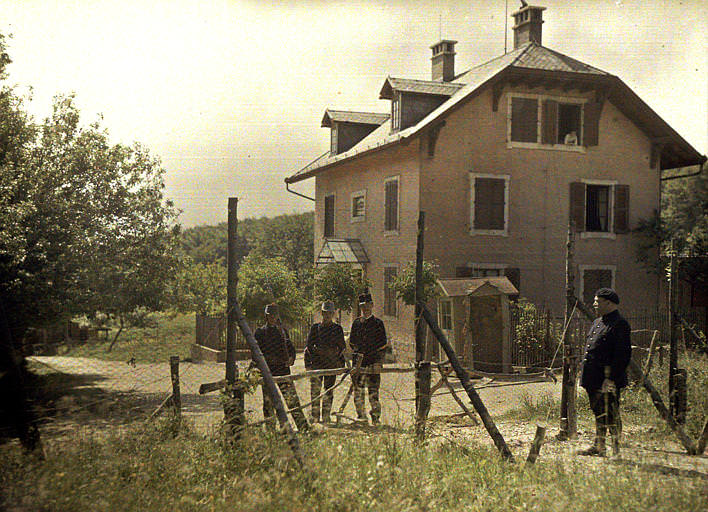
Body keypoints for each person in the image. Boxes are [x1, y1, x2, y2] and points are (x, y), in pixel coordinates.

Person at [579, 288, 632, 456]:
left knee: (612, 413)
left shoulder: (620, 324)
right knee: (598, 411)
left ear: (609, 303)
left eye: (597, 301)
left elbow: (622, 355)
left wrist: (612, 379)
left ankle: (616, 450)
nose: (594, 304)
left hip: (607, 378)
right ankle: (599, 446)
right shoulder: (597, 322)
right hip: (593, 377)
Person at [253, 303, 309, 431]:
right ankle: (271, 431)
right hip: (268, 371)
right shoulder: (260, 332)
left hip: (283, 370)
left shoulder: (282, 331)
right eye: (270, 316)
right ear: (266, 317)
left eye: (274, 315)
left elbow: (291, 349)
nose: (272, 318)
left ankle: (303, 427)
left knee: (292, 399)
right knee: (268, 403)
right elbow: (255, 354)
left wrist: (291, 358)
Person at [349, 292, 387, 425]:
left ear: (372, 305)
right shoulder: (356, 323)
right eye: (362, 307)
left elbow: (383, 344)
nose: (365, 309)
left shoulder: (378, 324)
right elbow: (352, 343)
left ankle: (376, 418)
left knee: (373, 392)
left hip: (373, 362)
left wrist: (376, 359)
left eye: (367, 306)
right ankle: (361, 417)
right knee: (358, 392)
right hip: (359, 364)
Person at [304, 301, 346, 423]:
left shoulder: (337, 329)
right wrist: (317, 353)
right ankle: (315, 417)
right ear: (322, 313)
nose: (327, 315)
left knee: (328, 391)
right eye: (325, 313)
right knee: (315, 391)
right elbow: (309, 346)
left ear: (333, 314)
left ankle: (326, 416)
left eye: (330, 313)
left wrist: (333, 353)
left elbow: (342, 346)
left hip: (331, 364)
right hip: (317, 364)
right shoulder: (315, 328)